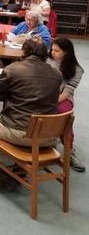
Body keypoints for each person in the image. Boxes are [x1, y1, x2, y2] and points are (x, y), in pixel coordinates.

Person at [0, 39, 63, 178]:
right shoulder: (57, 74)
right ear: (45, 54)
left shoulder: (14, 69)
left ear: (24, 52)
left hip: (20, 131)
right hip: (49, 135)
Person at [48, 38, 85, 172]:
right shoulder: (48, 62)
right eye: (52, 49)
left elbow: (66, 93)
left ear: (66, 52)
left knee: (64, 115)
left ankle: (69, 152)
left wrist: (49, 102)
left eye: (57, 51)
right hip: (45, 93)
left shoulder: (77, 70)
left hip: (62, 97)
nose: (53, 53)